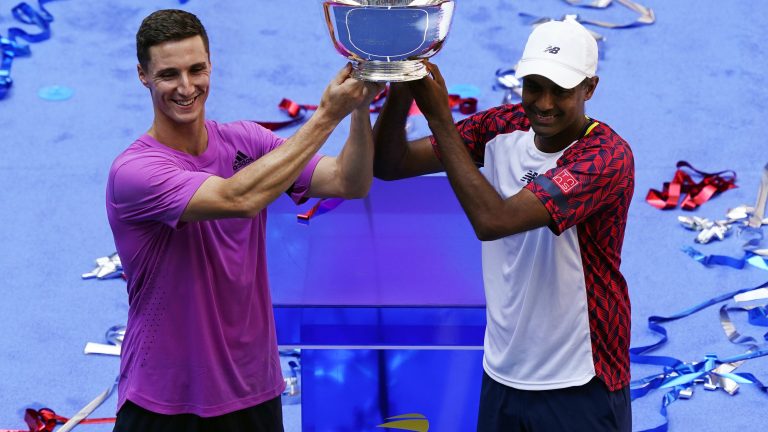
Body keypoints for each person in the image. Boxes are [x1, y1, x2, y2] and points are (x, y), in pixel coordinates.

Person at [106, 9, 382, 432]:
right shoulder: (134, 173)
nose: (186, 87)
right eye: (169, 75)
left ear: (211, 66)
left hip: (253, 389)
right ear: (142, 76)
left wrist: (360, 110)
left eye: (197, 69)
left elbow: (350, 180)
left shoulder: (247, 141)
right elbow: (240, 197)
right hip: (166, 399)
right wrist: (328, 114)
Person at [373, 19, 634, 432]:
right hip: (502, 372)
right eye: (534, 86)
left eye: (562, 90)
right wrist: (404, 86)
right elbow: (388, 164)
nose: (544, 103)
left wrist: (440, 118)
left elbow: (494, 221)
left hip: (580, 380)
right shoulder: (501, 127)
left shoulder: (605, 158)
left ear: (589, 88)